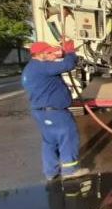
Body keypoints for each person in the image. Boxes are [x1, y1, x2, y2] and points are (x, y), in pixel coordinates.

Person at [22, 39, 89, 181]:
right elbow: (68, 65)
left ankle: (50, 172)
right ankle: (70, 170)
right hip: (54, 112)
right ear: (40, 55)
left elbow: (57, 63)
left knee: (49, 142)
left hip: (42, 112)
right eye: (49, 52)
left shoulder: (32, 68)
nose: (53, 54)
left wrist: (60, 53)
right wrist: (70, 52)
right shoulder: (41, 67)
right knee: (68, 138)